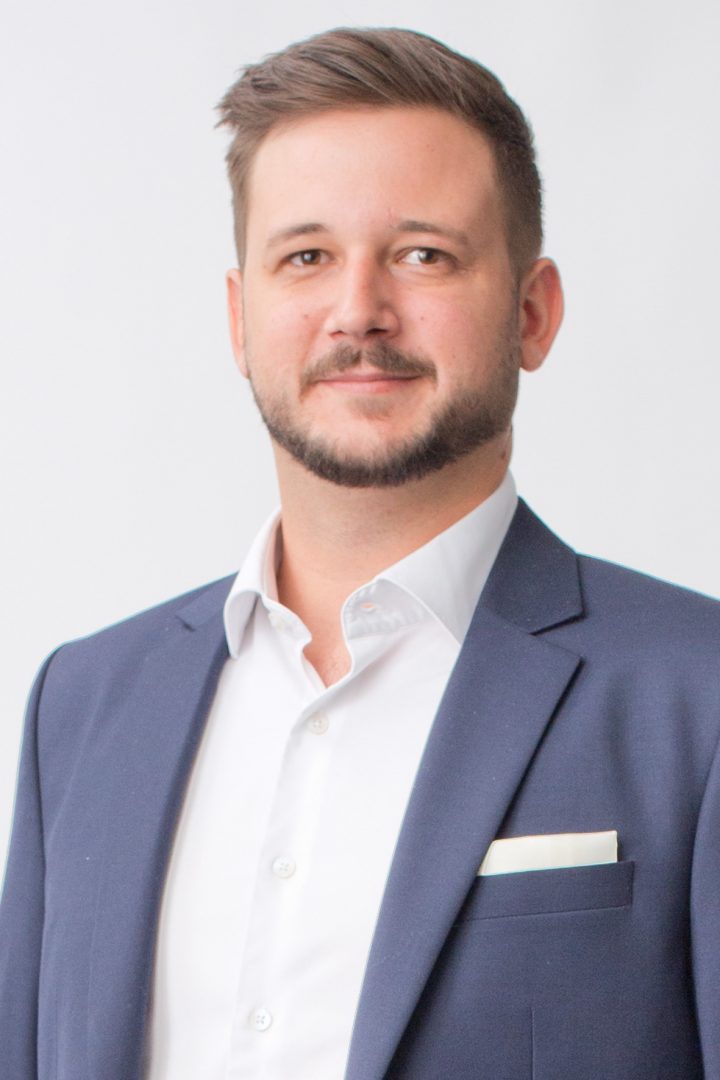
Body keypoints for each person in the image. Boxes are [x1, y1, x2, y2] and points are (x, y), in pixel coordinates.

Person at [1, 25, 719, 1080]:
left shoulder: (695, 695)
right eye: (306, 257)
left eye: (423, 253)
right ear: (241, 320)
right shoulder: (85, 704)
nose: (358, 313)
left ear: (532, 311)